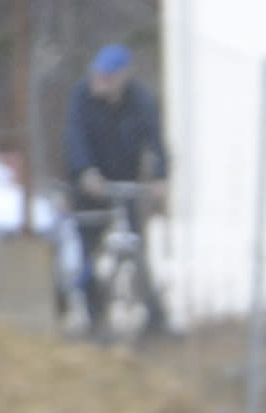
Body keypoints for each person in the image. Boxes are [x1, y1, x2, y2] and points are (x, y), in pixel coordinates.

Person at [64, 44, 170, 336]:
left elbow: (155, 139)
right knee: (88, 251)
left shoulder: (141, 100)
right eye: (98, 75)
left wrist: (160, 176)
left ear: (123, 76)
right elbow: (75, 138)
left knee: (136, 247)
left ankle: (154, 317)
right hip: (91, 187)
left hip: (125, 183)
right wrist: (86, 172)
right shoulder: (82, 97)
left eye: (108, 77)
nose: (100, 82)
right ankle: (93, 316)